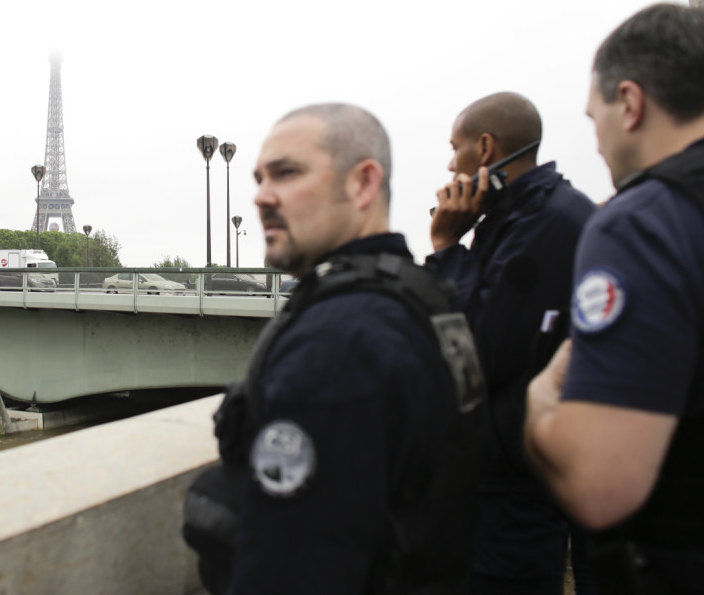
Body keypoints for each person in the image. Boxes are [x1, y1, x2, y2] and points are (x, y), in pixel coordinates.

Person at [182, 103, 486, 594]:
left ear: (362, 184)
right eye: (259, 178)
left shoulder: (336, 344)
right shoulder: (425, 298)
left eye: (286, 173)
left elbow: (292, 569)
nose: (261, 197)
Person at [524, 3, 704, 593]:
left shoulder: (646, 225)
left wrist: (541, 400)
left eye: (594, 116)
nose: (597, 142)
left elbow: (599, 486)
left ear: (630, 103)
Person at [427, 93, 597, 593]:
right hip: (513, 480)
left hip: (517, 496)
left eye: (454, 148)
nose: (448, 163)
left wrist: (444, 249)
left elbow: (475, 350)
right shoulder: (517, 218)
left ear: (484, 148)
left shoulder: (546, 225)